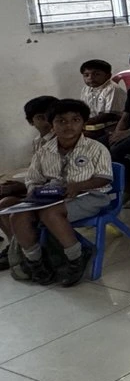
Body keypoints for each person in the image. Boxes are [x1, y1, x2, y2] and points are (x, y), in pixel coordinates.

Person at [7, 99, 113, 287]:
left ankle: (76, 258)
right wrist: (35, 193)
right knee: (18, 216)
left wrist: (79, 186)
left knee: (50, 213)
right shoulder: (44, 151)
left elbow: (104, 178)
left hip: (90, 196)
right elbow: (33, 179)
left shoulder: (96, 148)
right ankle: (36, 262)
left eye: (75, 120)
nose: (68, 125)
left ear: (83, 123)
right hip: (51, 198)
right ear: (52, 124)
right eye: (61, 121)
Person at [0, 95, 59, 274]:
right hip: (42, 188)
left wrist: (22, 188)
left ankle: (22, 250)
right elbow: (37, 172)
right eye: (41, 118)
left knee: (9, 205)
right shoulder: (38, 142)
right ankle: (15, 247)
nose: (48, 122)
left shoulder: (60, 141)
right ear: (30, 122)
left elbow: (57, 178)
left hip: (56, 193)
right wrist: (19, 184)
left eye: (51, 117)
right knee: (4, 202)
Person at [79, 59, 124, 129]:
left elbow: (110, 115)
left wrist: (84, 122)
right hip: (93, 124)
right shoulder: (86, 89)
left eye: (96, 74)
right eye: (86, 75)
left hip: (112, 125)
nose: (90, 78)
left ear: (108, 76)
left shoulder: (112, 89)